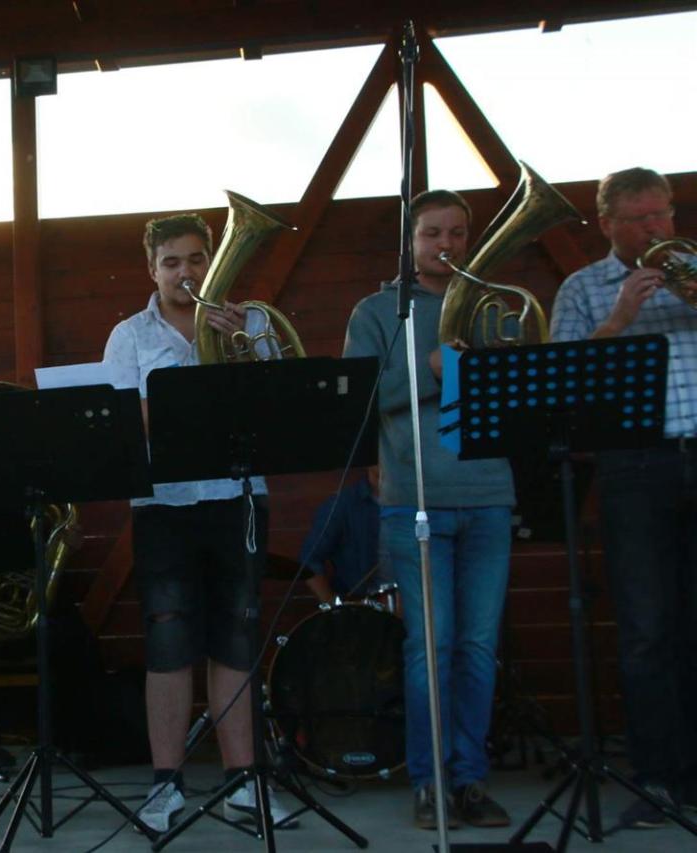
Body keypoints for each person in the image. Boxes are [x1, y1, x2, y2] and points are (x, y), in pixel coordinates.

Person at [102, 212, 295, 833]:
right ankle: (166, 785)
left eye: (195, 259)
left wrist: (246, 353)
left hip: (238, 495)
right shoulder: (129, 335)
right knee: (167, 644)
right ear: (152, 270)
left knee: (236, 638)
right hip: (164, 504)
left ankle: (243, 782)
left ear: (211, 261)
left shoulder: (251, 323)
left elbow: (283, 403)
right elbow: (127, 422)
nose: (184, 272)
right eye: (171, 262)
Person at [342, 189, 514, 830]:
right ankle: (428, 782)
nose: (446, 244)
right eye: (432, 233)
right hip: (413, 500)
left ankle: (470, 779)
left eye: (458, 232)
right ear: (409, 243)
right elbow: (357, 398)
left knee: (477, 647)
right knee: (430, 650)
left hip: (489, 495)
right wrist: (433, 369)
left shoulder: (494, 306)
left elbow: (521, 394)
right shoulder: (378, 311)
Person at [549, 167, 697, 829]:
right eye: (639, 219)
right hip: (635, 467)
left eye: (663, 214)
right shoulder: (583, 288)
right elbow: (561, 385)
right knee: (646, 630)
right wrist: (619, 319)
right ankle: (658, 777)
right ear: (607, 223)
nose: (655, 228)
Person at [298, 466, 382, 604]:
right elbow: (309, 560)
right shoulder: (342, 504)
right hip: (362, 606)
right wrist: (333, 605)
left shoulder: (415, 501)